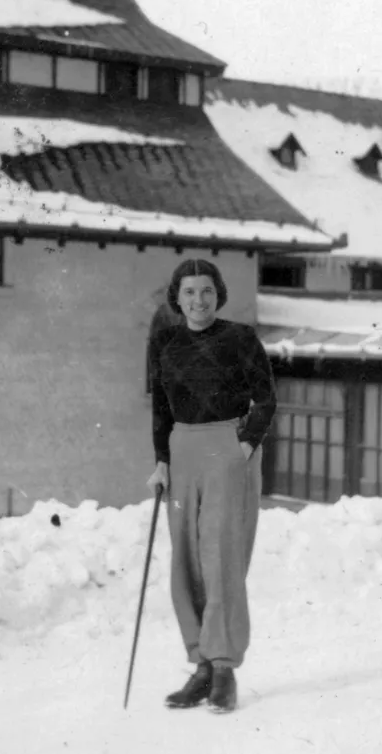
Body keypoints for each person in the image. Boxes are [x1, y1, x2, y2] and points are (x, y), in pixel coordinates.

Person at [146, 258, 277, 714]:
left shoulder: (240, 338)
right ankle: (200, 665)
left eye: (206, 291)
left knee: (220, 560)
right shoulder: (165, 342)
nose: (198, 300)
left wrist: (244, 446)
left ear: (218, 294)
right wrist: (162, 460)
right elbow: (161, 409)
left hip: (228, 448)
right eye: (189, 292)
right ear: (176, 297)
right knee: (185, 561)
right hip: (182, 452)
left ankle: (224, 668)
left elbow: (266, 399)